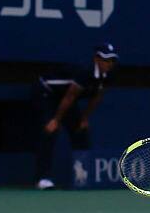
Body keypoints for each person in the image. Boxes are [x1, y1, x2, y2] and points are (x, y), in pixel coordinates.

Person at [34, 44, 118, 190]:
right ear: (96, 59)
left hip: (66, 98)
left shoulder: (108, 75)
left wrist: (84, 118)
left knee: (81, 130)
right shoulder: (85, 72)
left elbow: (96, 98)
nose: (109, 63)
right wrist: (55, 120)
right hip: (47, 92)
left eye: (112, 60)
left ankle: (82, 176)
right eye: (106, 59)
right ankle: (43, 178)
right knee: (51, 131)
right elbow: (69, 96)